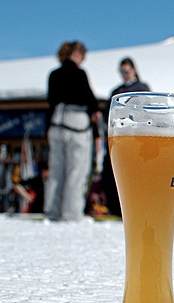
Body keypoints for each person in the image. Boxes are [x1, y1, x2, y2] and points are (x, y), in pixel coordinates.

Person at [45, 41, 101, 221]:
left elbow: (50, 101)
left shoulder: (53, 75)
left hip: (57, 123)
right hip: (77, 123)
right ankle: (71, 213)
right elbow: (89, 98)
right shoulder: (80, 73)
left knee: (56, 171)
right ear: (77, 54)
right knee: (76, 171)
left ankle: (52, 211)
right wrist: (95, 112)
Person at [101, 57, 151, 217]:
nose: (124, 75)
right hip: (118, 138)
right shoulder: (116, 92)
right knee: (112, 173)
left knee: (134, 175)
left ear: (134, 70)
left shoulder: (142, 88)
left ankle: (134, 210)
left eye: (126, 71)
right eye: (121, 72)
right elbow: (107, 115)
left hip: (136, 138)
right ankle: (115, 208)